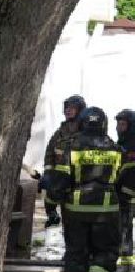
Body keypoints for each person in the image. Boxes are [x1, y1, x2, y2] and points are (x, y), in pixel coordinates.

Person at [42, 105, 122, 272]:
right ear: (104, 124)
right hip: (106, 210)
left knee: (76, 254)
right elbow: (122, 180)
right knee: (107, 251)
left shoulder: (73, 147)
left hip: (76, 210)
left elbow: (60, 181)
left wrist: (50, 206)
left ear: (84, 123)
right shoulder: (115, 148)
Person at [43, 95, 86, 227]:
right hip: (60, 183)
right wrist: (48, 173)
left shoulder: (87, 132)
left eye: (72, 108)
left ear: (80, 110)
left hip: (79, 185)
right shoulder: (59, 133)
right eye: (66, 108)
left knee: (77, 222)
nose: (68, 110)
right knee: (67, 224)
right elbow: (50, 152)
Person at [116, 109, 135, 272]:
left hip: (129, 196)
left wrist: (126, 193)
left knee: (124, 230)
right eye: (118, 124)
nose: (119, 127)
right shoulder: (122, 142)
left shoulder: (132, 145)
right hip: (123, 194)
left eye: (123, 124)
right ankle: (126, 265)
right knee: (124, 230)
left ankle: (125, 265)